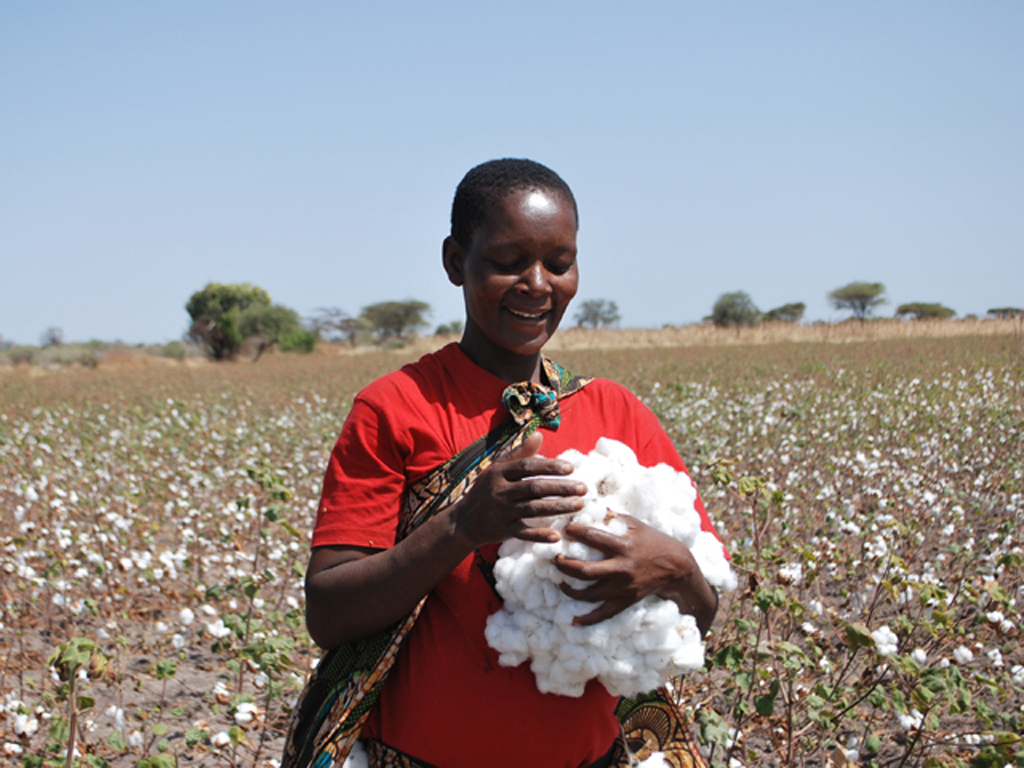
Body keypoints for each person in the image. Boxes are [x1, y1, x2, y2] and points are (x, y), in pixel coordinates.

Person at [286, 159, 721, 768]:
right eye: (508, 261)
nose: (537, 284)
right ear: (455, 261)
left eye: (559, 263)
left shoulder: (617, 413)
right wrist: (465, 524)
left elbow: (702, 610)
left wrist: (673, 567)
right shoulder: (396, 409)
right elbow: (330, 613)